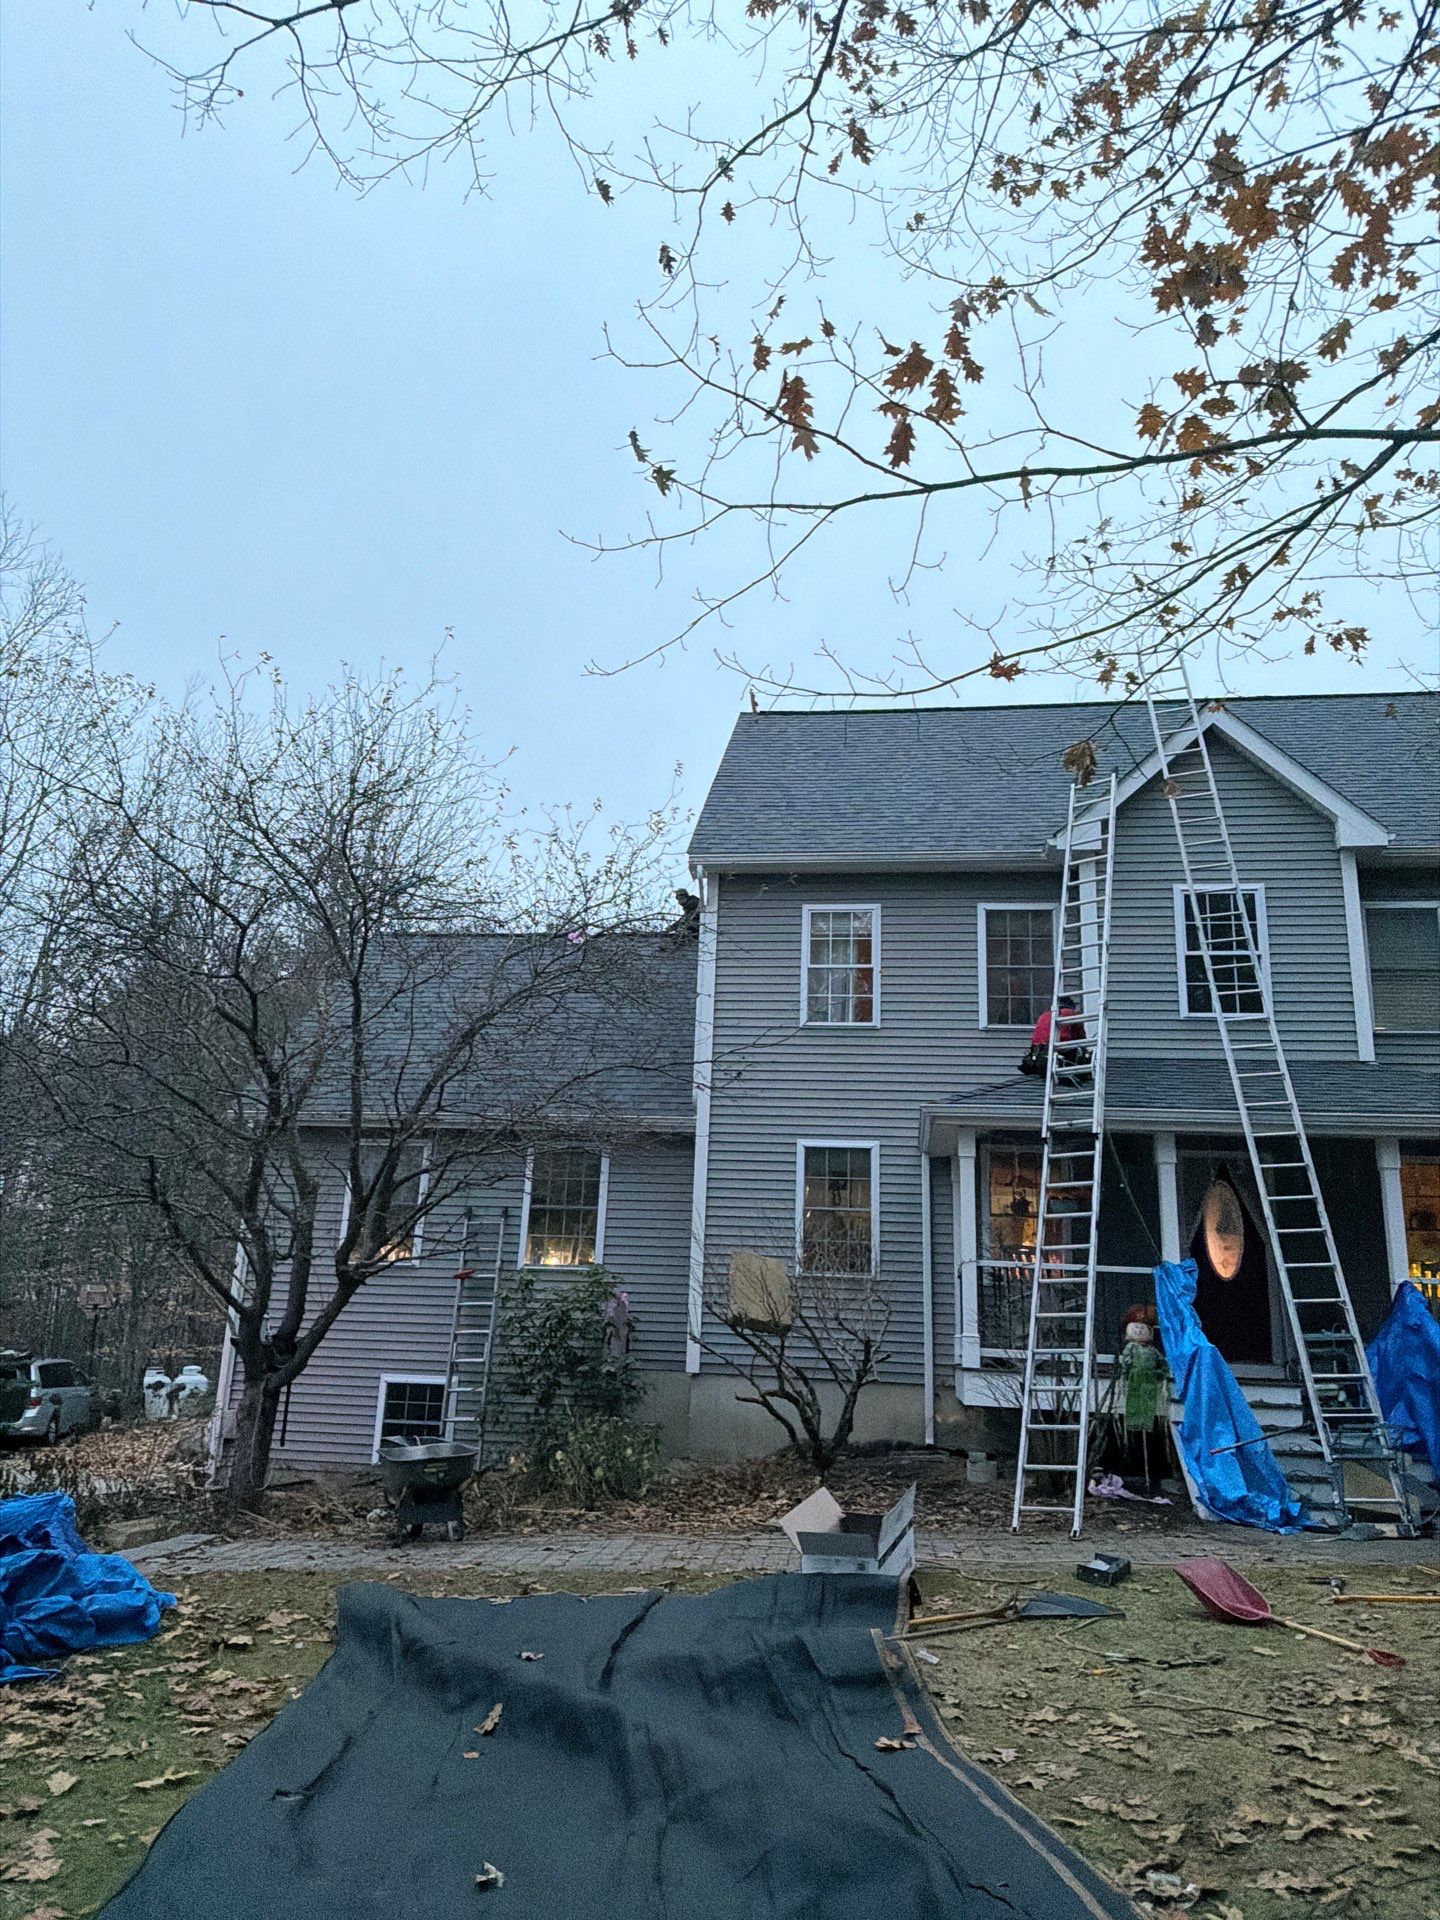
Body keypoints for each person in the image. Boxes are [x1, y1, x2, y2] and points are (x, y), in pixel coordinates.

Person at [1018, 996, 1089, 1075]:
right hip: (1060, 1048)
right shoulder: (1072, 1013)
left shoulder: (1044, 1015)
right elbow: (1081, 1037)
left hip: (1037, 1050)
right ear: (1071, 1006)